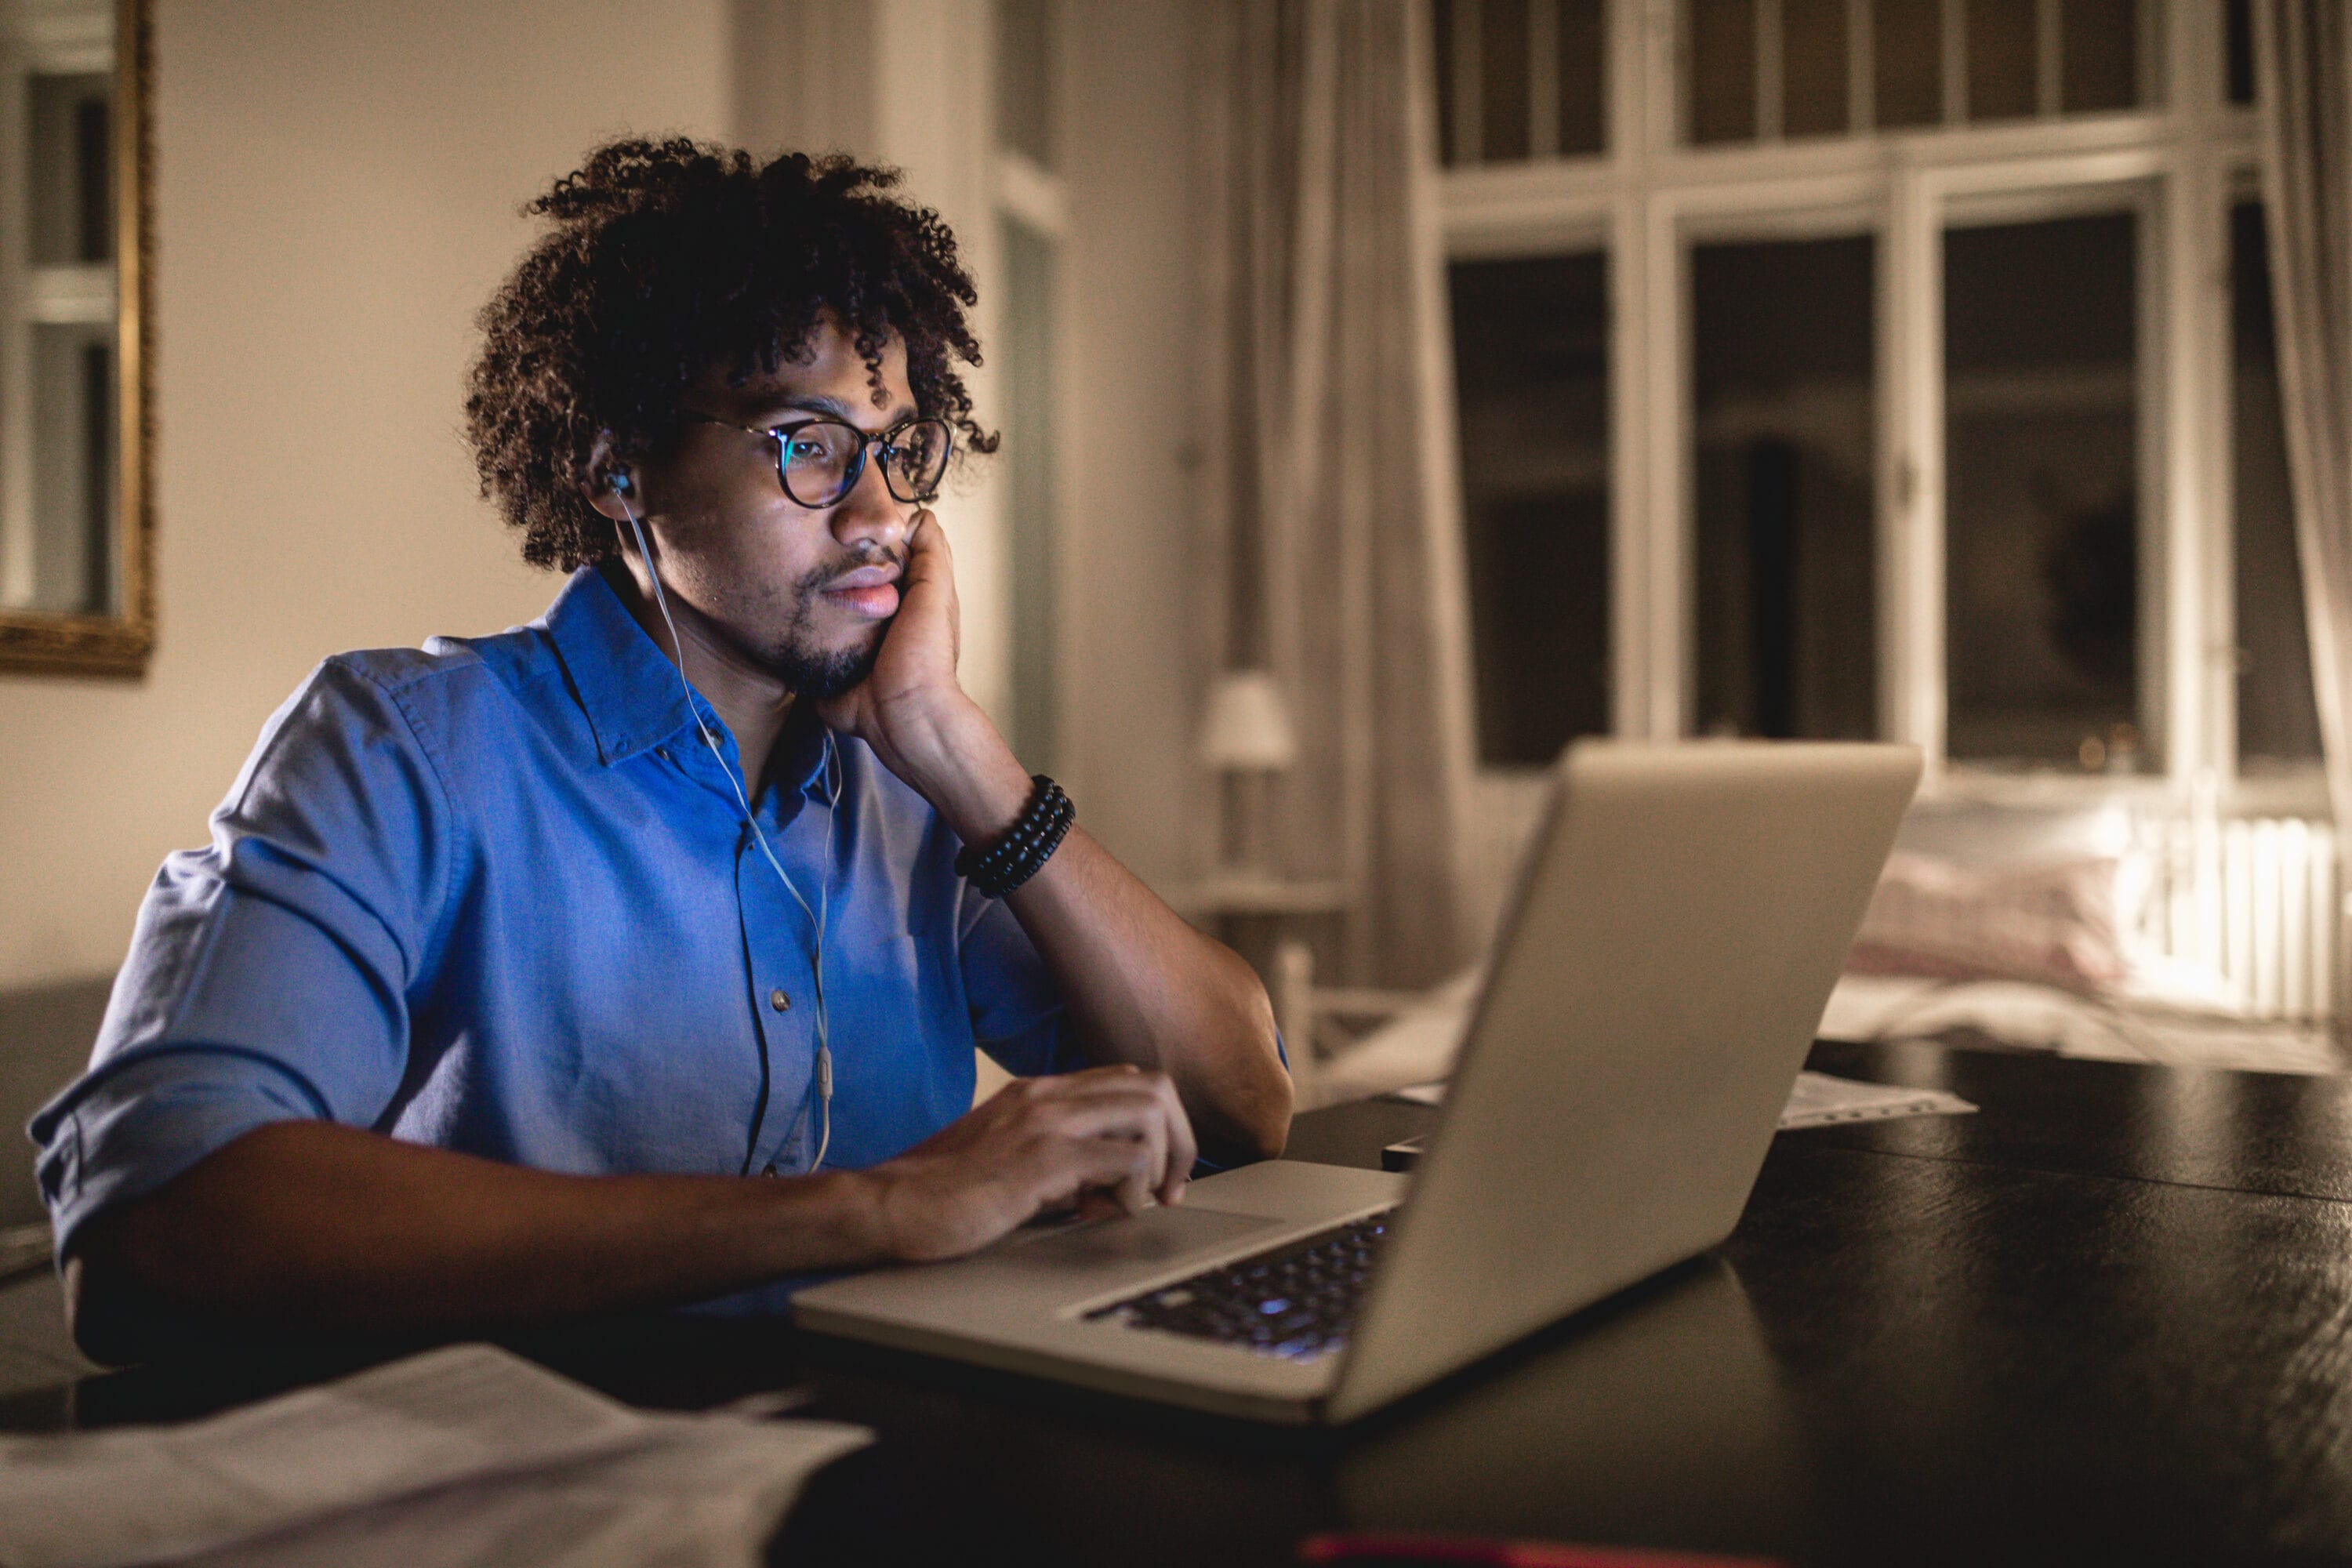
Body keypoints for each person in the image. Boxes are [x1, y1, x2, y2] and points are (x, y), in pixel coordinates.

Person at [31, 140, 1291, 1361]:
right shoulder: (403, 748)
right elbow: (158, 1221)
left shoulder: (907, 787)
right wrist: (875, 1209)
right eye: (807, 444)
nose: (881, 515)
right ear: (616, 465)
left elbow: (1248, 1103)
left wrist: (960, 752)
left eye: (900, 450)